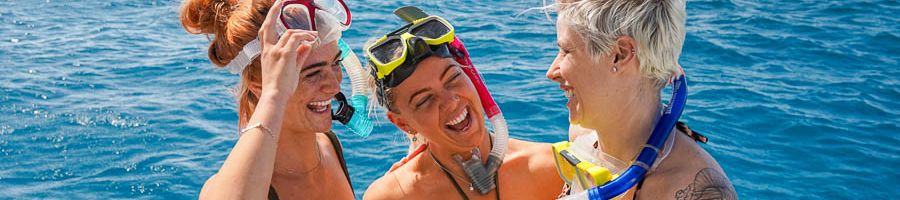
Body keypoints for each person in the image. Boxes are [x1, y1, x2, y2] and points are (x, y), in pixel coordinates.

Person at [362, 7, 564, 200]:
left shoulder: (553, 168)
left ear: (470, 74)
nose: (450, 102)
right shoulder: (393, 195)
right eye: (424, 100)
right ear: (403, 124)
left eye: (453, 78)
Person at [546, 0, 737, 199]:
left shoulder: (696, 191)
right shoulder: (584, 136)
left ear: (621, 54)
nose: (551, 72)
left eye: (566, 51)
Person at [179, 0, 357, 199]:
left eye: (336, 63)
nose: (334, 86)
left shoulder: (328, 145)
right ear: (259, 87)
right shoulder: (238, 188)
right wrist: (274, 95)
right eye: (312, 74)